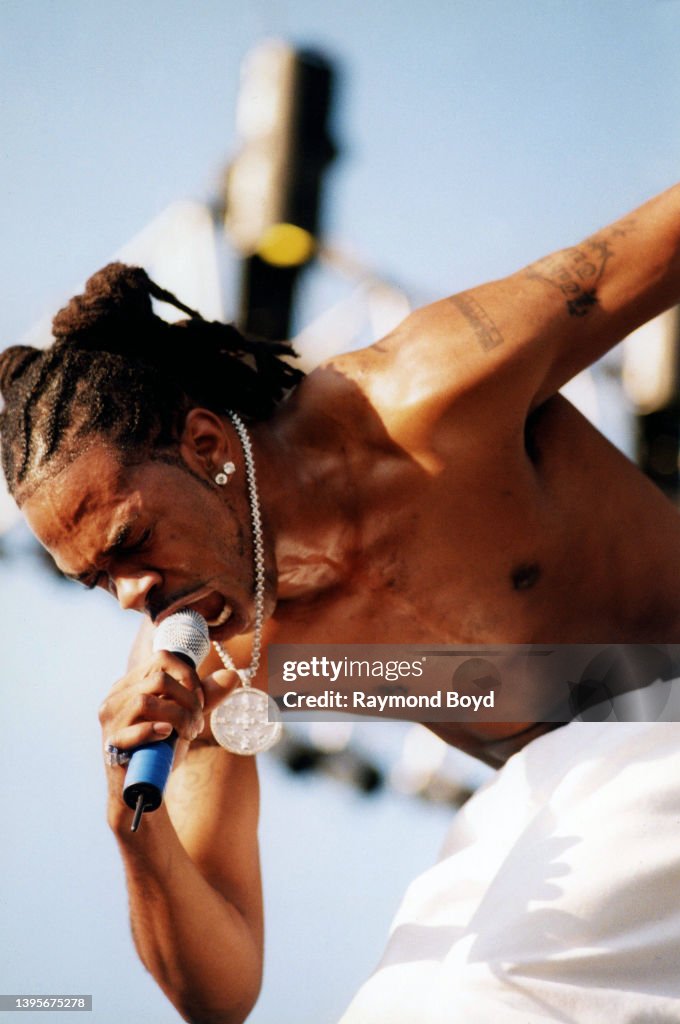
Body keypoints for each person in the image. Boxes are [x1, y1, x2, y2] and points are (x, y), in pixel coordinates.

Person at [1, 182, 680, 1023]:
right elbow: (221, 993)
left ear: (207, 444)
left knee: (481, 1001)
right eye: (97, 580)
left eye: (130, 543)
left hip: (661, 719)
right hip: (569, 794)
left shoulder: (426, 396)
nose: (131, 594)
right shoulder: (210, 666)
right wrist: (132, 830)